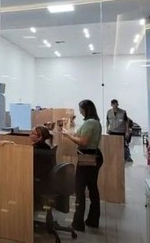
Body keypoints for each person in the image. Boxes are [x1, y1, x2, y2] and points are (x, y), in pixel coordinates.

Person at [61, 99, 102, 232]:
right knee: (93, 189)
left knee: (80, 189)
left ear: (86, 109)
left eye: (81, 109)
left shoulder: (90, 123)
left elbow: (83, 142)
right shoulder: (94, 122)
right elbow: (79, 135)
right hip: (94, 156)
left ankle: (78, 223)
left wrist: (68, 136)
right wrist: (70, 129)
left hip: (87, 158)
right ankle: (93, 220)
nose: (79, 112)